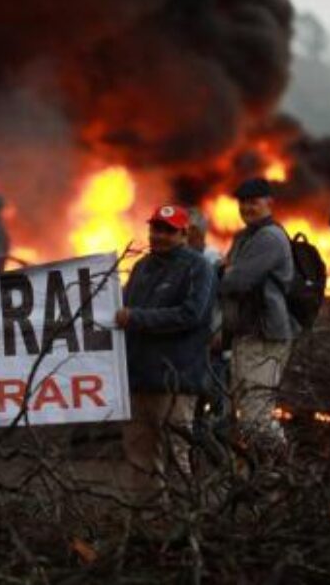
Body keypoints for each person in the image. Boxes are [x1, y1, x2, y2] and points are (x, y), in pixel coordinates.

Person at [115, 205, 216, 495]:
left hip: (175, 382)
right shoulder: (142, 267)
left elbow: (191, 315)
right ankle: (147, 527)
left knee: (176, 459)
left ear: (184, 233)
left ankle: (184, 528)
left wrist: (137, 318)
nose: (159, 235)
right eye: (155, 228)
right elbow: (121, 309)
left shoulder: (199, 268)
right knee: (140, 460)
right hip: (137, 380)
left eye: (168, 230)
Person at [218, 178, 296, 456]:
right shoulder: (245, 236)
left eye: (253, 201)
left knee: (256, 414)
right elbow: (227, 274)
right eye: (243, 202)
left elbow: (236, 280)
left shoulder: (269, 237)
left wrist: (221, 274)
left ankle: (283, 473)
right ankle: (262, 474)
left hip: (265, 335)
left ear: (269, 202)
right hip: (246, 334)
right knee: (248, 410)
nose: (247, 207)